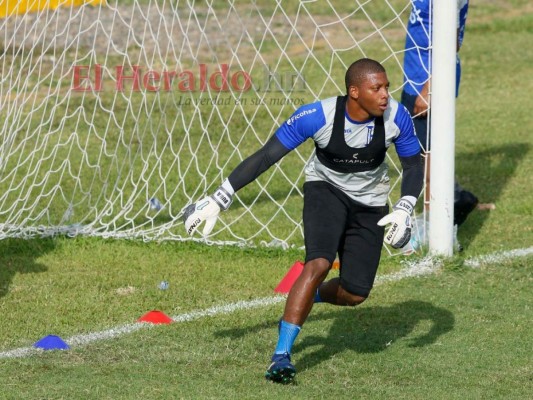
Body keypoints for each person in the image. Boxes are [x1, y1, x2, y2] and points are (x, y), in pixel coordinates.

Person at [183, 58, 424, 384]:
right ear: (354, 92)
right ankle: (280, 356)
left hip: (371, 203)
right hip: (326, 190)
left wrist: (404, 207)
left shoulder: (397, 117)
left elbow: (412, 166)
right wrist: (220, 198)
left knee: (355, 293)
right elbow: (267, 154)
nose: (385, 95)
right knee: (319, 264)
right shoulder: (317, 115)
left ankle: (307, 295)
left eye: (386, 87)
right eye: (376, 88)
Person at [401, 0, 478, 227]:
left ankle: (433, 224)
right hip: (414, 77)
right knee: (422, 151)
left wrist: (429, 89)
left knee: (426, 157)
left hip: (428, 82)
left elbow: (450, 43)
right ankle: (456, 198)